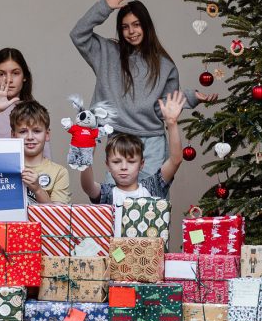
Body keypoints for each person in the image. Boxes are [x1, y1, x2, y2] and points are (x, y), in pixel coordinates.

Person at [71, 0, 216, 169]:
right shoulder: (106, 53)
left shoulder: (165, 66)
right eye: (125, 27)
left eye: (136, 24)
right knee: (116, 189)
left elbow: (162, 109)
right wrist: (104, 7)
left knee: (152, 189)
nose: (131, 31)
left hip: (152, 143)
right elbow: (78, 34)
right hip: (118, 140)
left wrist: (190, 97)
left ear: (146, 26)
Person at [78, 92, 186, 233]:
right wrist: (87, 147)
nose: (124, 167)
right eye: (116, 162)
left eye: (131, 162)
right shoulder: (108, 194)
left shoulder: (152, 187)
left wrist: (171, 123)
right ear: (108, 165)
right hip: (114, 248)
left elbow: (176, 160)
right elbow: (87, 186)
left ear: (141, 164)